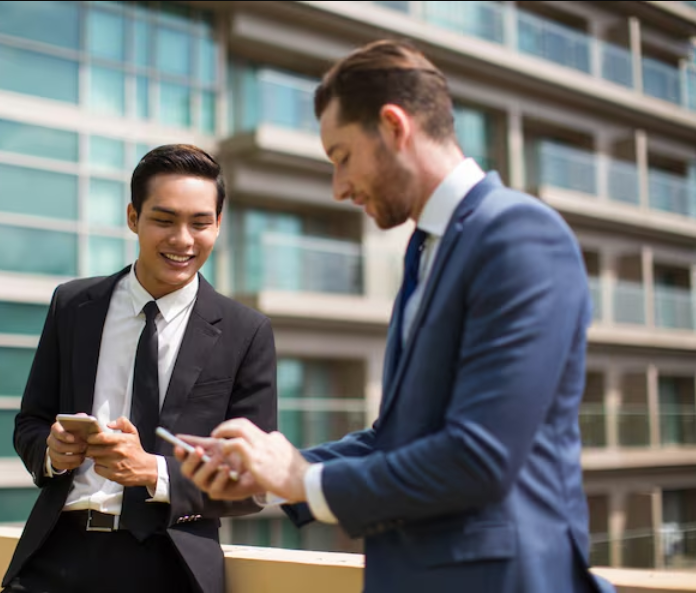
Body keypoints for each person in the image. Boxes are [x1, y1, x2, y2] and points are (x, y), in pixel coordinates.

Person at [177, 39, 616, 593]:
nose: (339, 188)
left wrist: (301, 477)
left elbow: (480, 457)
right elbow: (399, 436)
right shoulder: (426, 250)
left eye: (342, 157)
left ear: (393, 126)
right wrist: (266, 473)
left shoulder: (519, 235)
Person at [1, 144, 278, 593]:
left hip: (170, 567)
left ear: (218, 224)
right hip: (56, 557)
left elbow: (252, 480)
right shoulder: (73, 305)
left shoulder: (246, 332)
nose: (183, 240)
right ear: (133, 217)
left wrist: (154, 471)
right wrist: (52, 452)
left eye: (200, 223)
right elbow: (30, 422)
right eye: (164, 220)